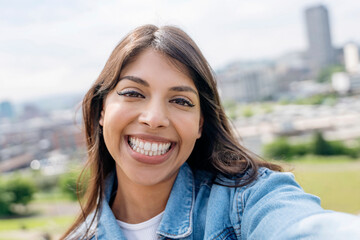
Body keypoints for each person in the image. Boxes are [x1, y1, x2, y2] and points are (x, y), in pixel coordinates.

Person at [62, 24, 360, 240]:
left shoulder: (243, 202)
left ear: (201, 123)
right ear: (102, 110)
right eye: (133, 93)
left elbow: (305, 228)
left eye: (180, 101)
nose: (154, 119)